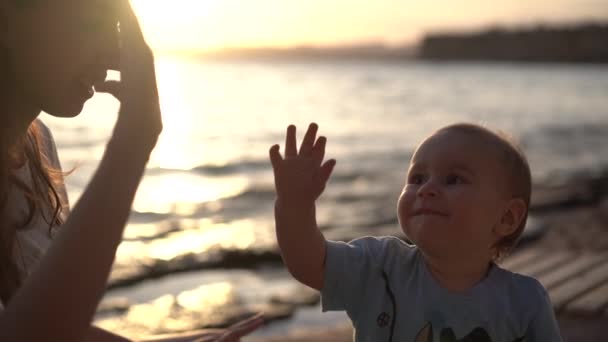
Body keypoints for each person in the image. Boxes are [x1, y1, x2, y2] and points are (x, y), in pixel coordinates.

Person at [0, 0, 262, 341]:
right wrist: (135, 138)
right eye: (91, 25)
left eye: (118, 30)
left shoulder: (37, 147)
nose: (113, 57)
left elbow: (49, 326)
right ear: (6, 19)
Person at [269, 122, 563, 341]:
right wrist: (294, 204)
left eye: (453, 179)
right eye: (417, 177)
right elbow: (309, 263)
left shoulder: (524, 302)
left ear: (507, 218)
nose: (427, 189)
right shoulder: (380, 267)